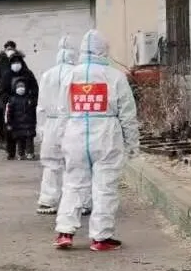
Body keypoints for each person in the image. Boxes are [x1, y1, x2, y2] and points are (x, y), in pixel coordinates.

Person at [52, 30, 140, 251]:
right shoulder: (115, 77)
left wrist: (60, 140)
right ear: (104, 50)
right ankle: (101, 237)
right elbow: (127, 114)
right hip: (106, 136)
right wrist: (132, 144)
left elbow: (62, 111)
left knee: (73, 183)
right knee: (105, 187)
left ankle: (65, 231)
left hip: (75, 134)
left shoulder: (70, 76)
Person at [36, 36, 78, 214]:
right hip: (73, 121)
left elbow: (41, 105)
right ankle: (78, 201)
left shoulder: (47, 75)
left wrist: (41, 128)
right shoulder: (77, 73)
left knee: (51, 163)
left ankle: (48, 200)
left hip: (51, 122)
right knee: (75, 163)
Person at [3, 53, 39, 161]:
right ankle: (11, 152)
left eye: (18, 62)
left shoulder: (28, 73)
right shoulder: (7, 74)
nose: (16, 64)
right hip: (11, 105)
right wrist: (7, 101)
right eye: (14, 62)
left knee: (27, 133)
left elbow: (35, 88)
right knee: (10, 131)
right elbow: (3, 90)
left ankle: (27, 152)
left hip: (26, 105)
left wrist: (32, 101)